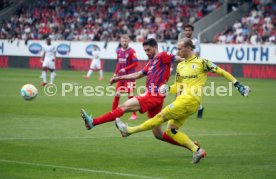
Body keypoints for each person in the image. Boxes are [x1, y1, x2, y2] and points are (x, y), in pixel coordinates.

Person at [115, 38, 250, 164]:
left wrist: (238, 85)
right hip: (185, 102)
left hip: (191, 100)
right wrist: (168, 89)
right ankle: (197, 151)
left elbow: (222, 72)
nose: (177, 52)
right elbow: (178, 86)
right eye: (177, 49)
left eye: (180, 49)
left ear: (188, 48)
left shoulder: (202, 62)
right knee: (170, 131)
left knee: (160, 117)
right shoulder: (180, 67)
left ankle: (129, 130)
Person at [80, 38, 187, 146]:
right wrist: (118, 78)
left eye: (148, 49)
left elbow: (180, 58)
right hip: (155, 98)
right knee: (158, 134)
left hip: (153, 95)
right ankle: (192, 146)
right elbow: (136, 75)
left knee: (123, 107)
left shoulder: (162, 55)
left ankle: (93, 122)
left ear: (155, 47)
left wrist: (191, 63)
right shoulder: (150, 63)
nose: (147, 52)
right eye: (145, 50)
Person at [112, 35, 138, 120]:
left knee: (130, 95)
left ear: (128, 41)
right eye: (123, 41)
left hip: (130, 77)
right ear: (120, 42)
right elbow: (119, 63)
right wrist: (115, 73)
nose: (124, 43)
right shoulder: (118, 51)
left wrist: (125, 69)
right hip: (121, 77)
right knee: (117, 94)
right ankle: (113, 113)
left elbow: (135, 64)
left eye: (125, 41)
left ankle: (134, 115)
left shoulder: (132, 51)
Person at [182, 24, 204, 118]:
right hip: (184, 68)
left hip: (194, 69)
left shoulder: (195, 42)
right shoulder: (182, 42)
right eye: (186, 30)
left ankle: (199, 107)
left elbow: (197, 54)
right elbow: (178, 53)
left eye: (189, 30)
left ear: (192, 31)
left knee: (191, 91)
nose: (187, 32)